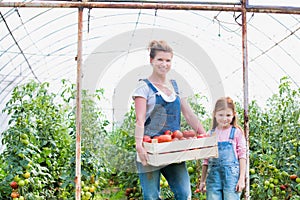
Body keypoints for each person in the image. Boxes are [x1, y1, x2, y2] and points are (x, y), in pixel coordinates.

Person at [132, 40, 207, 200]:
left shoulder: (175, 87)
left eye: (168, 60)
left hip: (173, 148)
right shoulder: (143, 87)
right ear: (151, 60)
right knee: (151, 196)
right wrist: (139, 146)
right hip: (150, 149)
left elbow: (189, 114)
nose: (164, 64)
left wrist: (203, 135)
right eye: (160, 59)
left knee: (184, 193)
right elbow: (139, 120)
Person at [199, 97, 246, 199]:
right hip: (213, 179)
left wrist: (242, 178)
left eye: (228, 115)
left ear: (233, 115)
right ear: (215, 114)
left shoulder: (236, 133)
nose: (224, 118)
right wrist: (202, 181)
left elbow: (242, 156)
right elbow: (206, 160)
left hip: (231, 178)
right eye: (221, 115)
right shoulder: (210, 134)